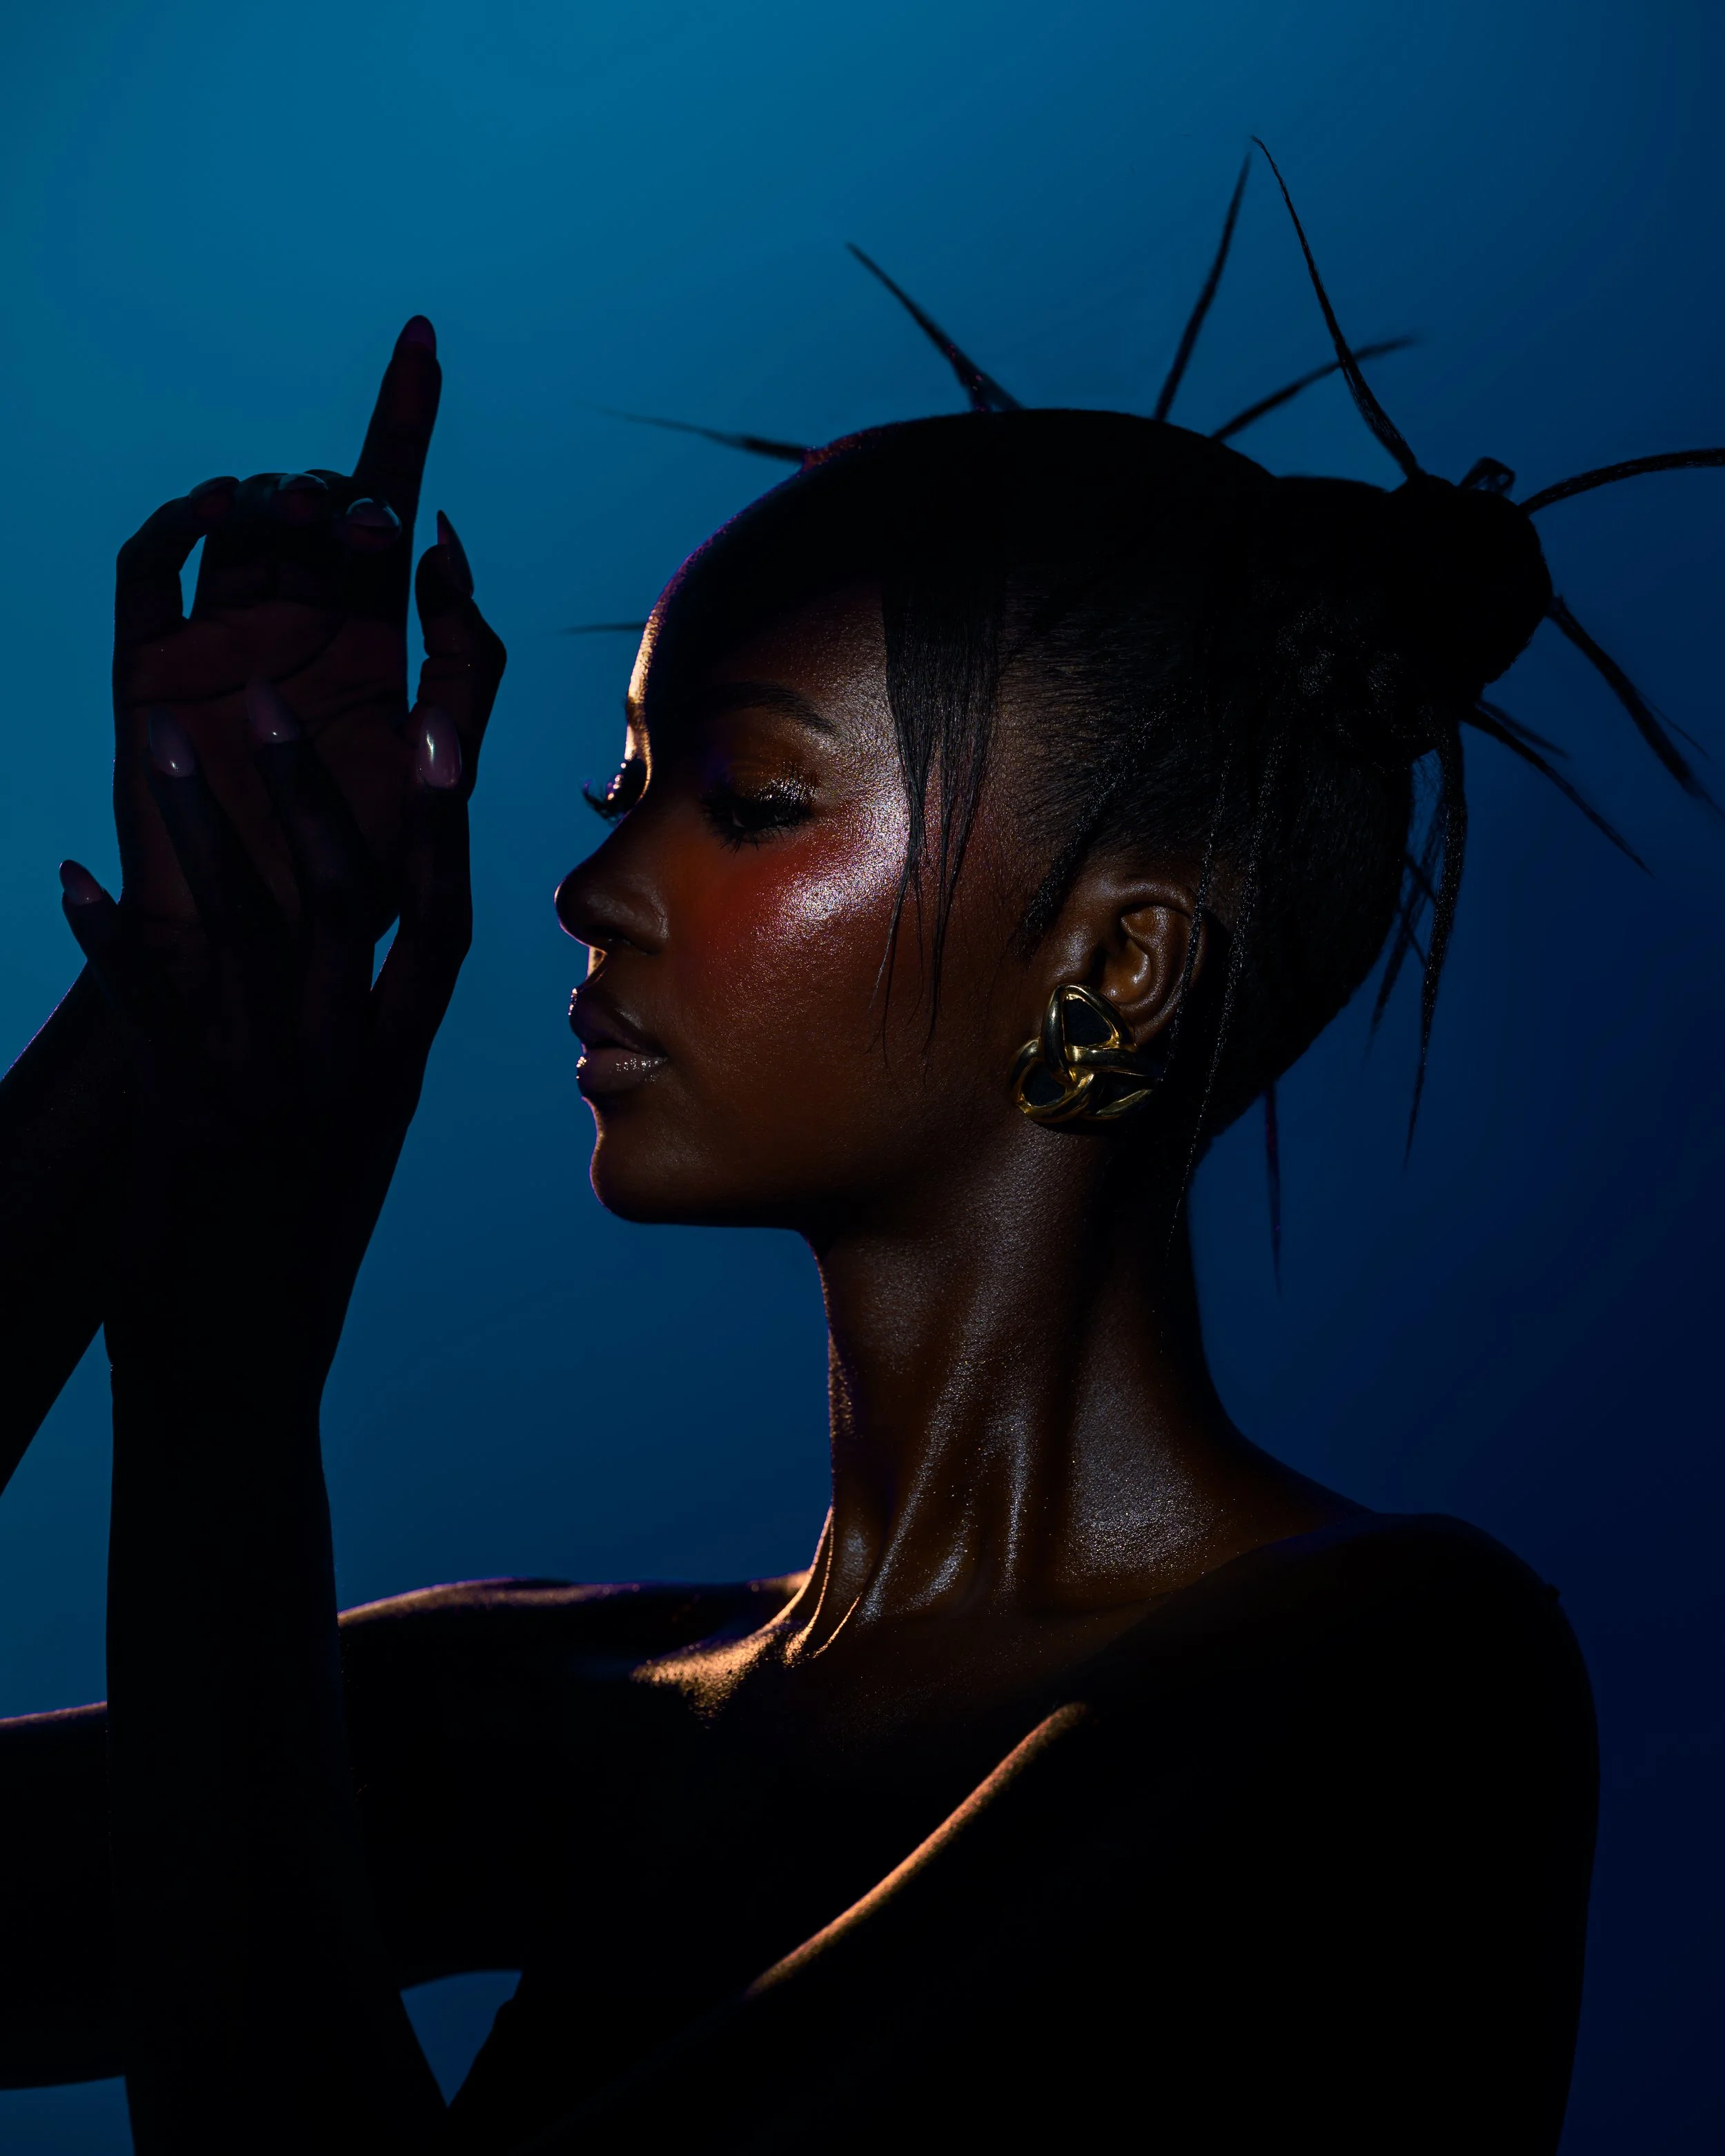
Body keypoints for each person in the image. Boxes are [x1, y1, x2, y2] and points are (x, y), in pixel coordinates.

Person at [1, 156, 1715, 2150]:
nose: (587, 888)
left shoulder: (1381, 1693)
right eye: (621, 785)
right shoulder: (576, 1708)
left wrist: (216, 1384)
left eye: (743, 799)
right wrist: (204, 938)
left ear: (1118, 965)